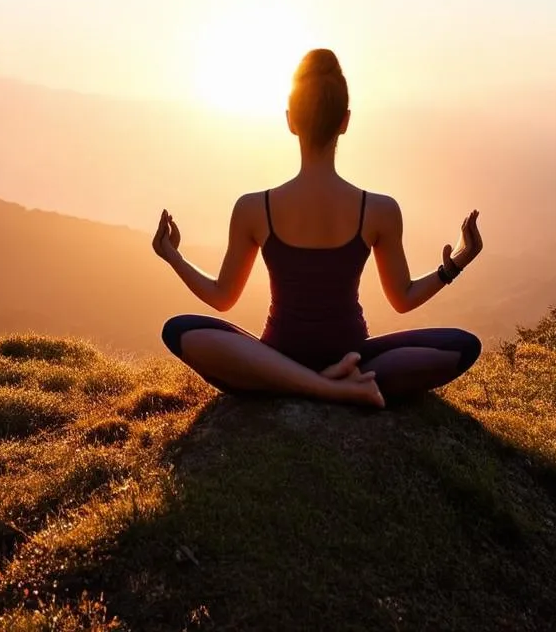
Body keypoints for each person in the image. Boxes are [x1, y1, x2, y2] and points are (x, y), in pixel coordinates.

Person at [154, 49, 483, 408]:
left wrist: (173, 256)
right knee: (461, 347)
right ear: (345, 121)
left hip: (275, 359)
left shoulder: (252, 208)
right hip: (355, 357)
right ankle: (336, 386)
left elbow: (222, 296)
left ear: (290, 121)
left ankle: (293, 382)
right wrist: (457, 262)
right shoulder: (380, 210)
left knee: (181, 331)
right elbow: (402, 299)